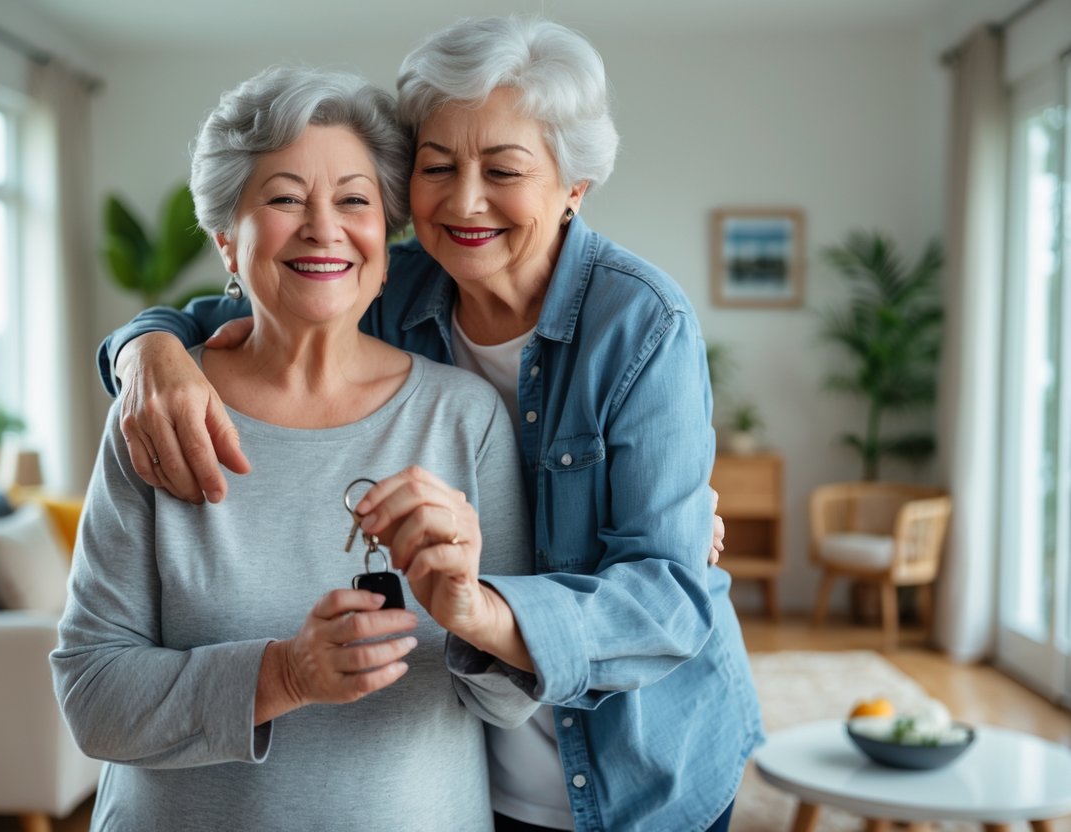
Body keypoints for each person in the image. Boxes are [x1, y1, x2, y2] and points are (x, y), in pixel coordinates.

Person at [99, 17, 763, 832]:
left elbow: (665, 599)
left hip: (635, 766)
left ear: (573, 189)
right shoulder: (394, 285)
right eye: (436, 166)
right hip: (477, 764)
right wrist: (145, 349)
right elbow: (250, 298)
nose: (464, 200)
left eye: (503, 170)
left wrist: (480, 606)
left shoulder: (639, 323)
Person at [52, 65, 541, 832]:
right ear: (226, 240)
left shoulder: (465, 416)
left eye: (354, 199)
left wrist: (476, 613)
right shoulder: (161, 415)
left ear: (386, 240)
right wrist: (284, 673)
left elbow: (510, 704)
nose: (323, 227)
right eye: (284, 198)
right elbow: (92, 701)